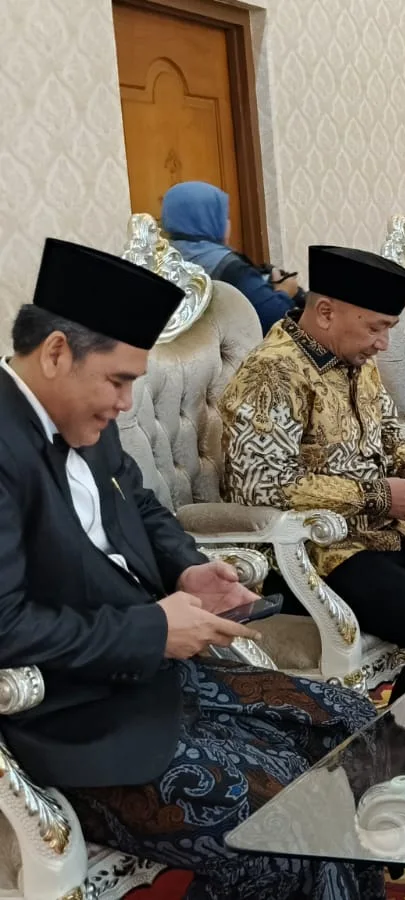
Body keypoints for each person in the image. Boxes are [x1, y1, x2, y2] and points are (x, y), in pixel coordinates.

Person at [0, 238, 383, 898]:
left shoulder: (81, 411)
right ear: (57, 353)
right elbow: (7, 628)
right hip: (69, 719)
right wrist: (153, 630)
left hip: (152, 675)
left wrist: (187, 570)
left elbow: (139, 503)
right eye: (118, 380)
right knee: (285, 824)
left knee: (355, 726)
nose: (127, 403)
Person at [219, 245, 405, 703]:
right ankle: (402, 740)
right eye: (376, 328)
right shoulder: (272, 372)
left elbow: (387, 434)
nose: (383, 343)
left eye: (388, 329)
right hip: (313, 552)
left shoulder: (356, 359)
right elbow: (260, 486)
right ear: (326, 312)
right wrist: (378, 494)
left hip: (383, 533)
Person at [162, 180, 304, 333]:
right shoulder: (228, 267)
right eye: (225, 216)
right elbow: (275, 318)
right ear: (211, 220)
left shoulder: (159, 259)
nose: (228, 223)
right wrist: (285, 291)